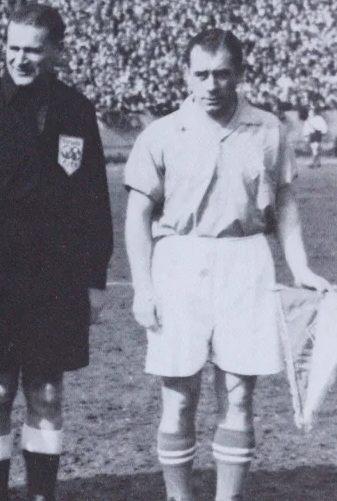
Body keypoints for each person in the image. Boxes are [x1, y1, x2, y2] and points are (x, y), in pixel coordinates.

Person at [124, 29, 333, 501]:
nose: (212, 85)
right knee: (179, 396)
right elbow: (137, 215)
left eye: (222, 74)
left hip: (246, 259)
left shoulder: (267, 129)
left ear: (239, 73)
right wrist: (142, 287)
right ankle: (180, 498)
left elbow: (284, 202)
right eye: (201, 74)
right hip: (179, 259)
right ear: (186, 75)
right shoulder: (162, 132)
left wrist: (298, 266)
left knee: (239, 393)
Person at [0, 3, 113, 501]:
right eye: (13, 47)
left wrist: (95, 278)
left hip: (56, 270)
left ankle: (41, 496)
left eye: (33, 49)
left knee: (48, 392)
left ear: (56, 50)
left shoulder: (77, 110)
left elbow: (95, 197)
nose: (21, 58)